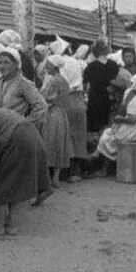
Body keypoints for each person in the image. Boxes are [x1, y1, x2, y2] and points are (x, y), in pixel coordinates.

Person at [0, 107, 52, 236]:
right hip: (31, 134)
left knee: (3, 184)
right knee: (18, 183)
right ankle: (11, 225)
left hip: (17, 138)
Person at [91, 74, 136, 171]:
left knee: (107, 134)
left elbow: (132, 119)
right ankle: (97, 154)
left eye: (133, 83)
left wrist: (119, 119)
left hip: (134, 132)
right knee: (109, 131)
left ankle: (100, 159)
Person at [0, 47, 48, 126]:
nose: (2, 66)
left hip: (10, 131)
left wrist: (24, 124)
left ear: (16, 64)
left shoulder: (23, 83)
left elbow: (41, 106)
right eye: (0, 63)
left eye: (6, 62)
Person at [39, 56, 75, 188]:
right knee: (59, 144)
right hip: (61, 114)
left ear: (53, 66)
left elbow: (48, 98)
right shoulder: (62, 80)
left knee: (48, 143)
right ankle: (56, 177)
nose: (45, 67)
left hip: (53, 114)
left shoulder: (55, 81)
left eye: (47, 65)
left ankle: (49, 178)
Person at [57, 53, 88, 182]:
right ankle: (77, 172)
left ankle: (66, 172)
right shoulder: (76, 66)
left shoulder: (60, 79)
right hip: (79, 103)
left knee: (67, 137)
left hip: (66, 103)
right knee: (79, 138)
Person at [83, 40, 120, 134]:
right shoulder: (114, 65)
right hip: (109, 97)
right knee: (106, 122)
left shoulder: (91, 66)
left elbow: (86, 84)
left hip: (94, 97)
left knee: (93, 122)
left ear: (94, 52)